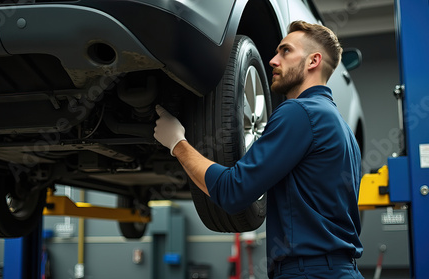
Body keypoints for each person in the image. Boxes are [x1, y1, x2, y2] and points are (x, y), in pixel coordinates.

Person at [154, 20, 364, 279]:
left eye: (285, 51)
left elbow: (233, 191)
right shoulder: (344, 131)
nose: (273, 60)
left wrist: (177, 143)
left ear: (313, 61)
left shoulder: (299, 112)